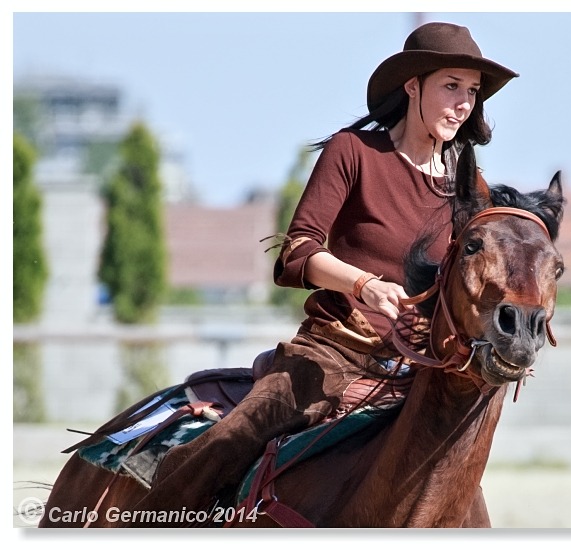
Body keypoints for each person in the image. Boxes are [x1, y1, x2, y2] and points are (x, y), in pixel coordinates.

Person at [129, 21, 518, 521]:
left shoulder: (472, 186)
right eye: (451, 86)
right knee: (229, 440)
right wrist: (364, 285)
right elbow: (296, 252)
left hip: (422, 374)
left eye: (471, 91)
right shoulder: (353, 151)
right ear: (412, 85)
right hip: (331, 354)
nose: (463, 102)